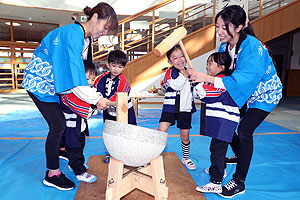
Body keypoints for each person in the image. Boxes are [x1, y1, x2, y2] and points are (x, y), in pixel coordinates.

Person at [21, 2, 118, 191]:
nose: (104, 33)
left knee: (67, 120)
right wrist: (96, 100)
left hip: (55, 85)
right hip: (40, 84)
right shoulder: (72, 34)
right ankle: (52, 173)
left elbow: (80, 74)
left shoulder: (84, 39)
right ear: (95, 17)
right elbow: (75, 79)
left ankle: (64, 148)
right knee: (58, 125)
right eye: (105, 27)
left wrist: (92, 97)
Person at [188, 5, 282, 198]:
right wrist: (201, 80)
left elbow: (242, 81)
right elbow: (225, 74)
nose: (219, 32)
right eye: (217, 27)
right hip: (244, 93)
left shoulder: (253, 47)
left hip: (265, 94)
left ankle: (239, 181)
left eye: (224, 27)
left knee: (245, 130)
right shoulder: (225, 46)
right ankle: (239, 155)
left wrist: (206, 79)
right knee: (227, 123)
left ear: (239, 27)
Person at [193, 52, 239, 193]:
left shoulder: (222, 80)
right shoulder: (215, 80)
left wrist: (198, 82)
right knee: (217, 148)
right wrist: (197, 82)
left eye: (210, 63)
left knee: (217, 151)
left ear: (221, 67)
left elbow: (208, 95)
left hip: (224, 121)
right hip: (221, 121)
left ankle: (216, 181)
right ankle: (219, 169)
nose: (207, 66)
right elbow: (200, 93)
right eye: (207, 63)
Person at [158, 45, 197, 170]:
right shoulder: (169, 73)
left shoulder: (190, 72)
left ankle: (186, 157)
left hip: (185, 109)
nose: (180, 60)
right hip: (170, 108)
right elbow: (175, 86)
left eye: (182, 56)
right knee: (160, 132)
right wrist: (185, 75)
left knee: (185, 136)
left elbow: (194, 91)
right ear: (170, 61)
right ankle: (153, 155)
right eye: (175, 58)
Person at [94, 50, 137, 162]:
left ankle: (129, 154)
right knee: (110, 132)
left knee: (127, 132)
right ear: (108, 64)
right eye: (113, 66)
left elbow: (121, 94)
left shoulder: (123, 81)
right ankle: (112, 153)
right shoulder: (102, 78)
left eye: (119, 67)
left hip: (125, 111)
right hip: (109, 112)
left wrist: (106, 101)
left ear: (123, 68)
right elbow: (97, 89)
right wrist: (100, 99)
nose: (116, 69)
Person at [59, 60, 98, 183]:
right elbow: (85, 108)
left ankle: (74, 164)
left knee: (80, 145)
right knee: (74, 147)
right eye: (87, 79)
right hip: (71, 128)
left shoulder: (84, 91)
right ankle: (79, 172)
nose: (90, 83)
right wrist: (95, 106)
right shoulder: (70, 92)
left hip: (78, 127)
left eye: (92, 80)